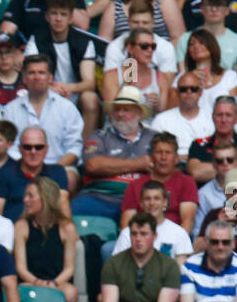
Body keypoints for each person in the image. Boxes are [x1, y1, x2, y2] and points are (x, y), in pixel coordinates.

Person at [1, 55, 84, 191]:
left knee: (70, 177)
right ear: (24, 78)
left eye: (41, 73)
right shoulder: (11, 109)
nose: (37, 77)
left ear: (50, 78)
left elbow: (74, 148)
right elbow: (10, 147)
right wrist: (28, 168)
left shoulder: (67, 108)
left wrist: (51, 171)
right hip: (20, 168)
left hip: (57, 166)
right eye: (31, 73)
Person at [75, 87, 155, 220]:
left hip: (142, 200)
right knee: (73, 214)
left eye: (126, 109)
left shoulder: (154, 137)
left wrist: (111, 165)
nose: (120, 114)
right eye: (117, 109)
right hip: (98, 197)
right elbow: (92, 165)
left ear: (139, 113)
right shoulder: (99, 136)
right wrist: (139, 163)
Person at [12, 175, 77, 302]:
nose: (25, 200)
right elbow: (21, 267)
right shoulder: (21, 226)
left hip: (57, 282)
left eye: (30, 196)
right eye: (25, 196)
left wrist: (54, 283)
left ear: (45, 198)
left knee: (71, 294)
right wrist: (37, 282)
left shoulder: (67, 228)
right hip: (30, 281)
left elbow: (69, 268)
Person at [118, 133, 197, 232]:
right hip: (140, 238)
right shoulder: (135, 185)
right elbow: (126, 224)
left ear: (176, 158)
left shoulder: (186, 182)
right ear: (151, 157)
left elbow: (187, 221)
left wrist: (176, 244)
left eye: (168, 153)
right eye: (159, 152)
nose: (163, 157)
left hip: (173, 239)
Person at [188, 96, 237, 183]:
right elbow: (196, 173)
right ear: (212, 117)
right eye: (219, 115)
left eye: (228, 115)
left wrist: (213, 169)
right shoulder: (199, 144)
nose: (224, 120)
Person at [151, 73, 213, 159]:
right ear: (177, 92)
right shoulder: (161, 120)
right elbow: (154, 153)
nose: (189, 92)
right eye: (184, 89)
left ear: (200, 92)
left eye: (194, 89)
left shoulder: (212, 118)